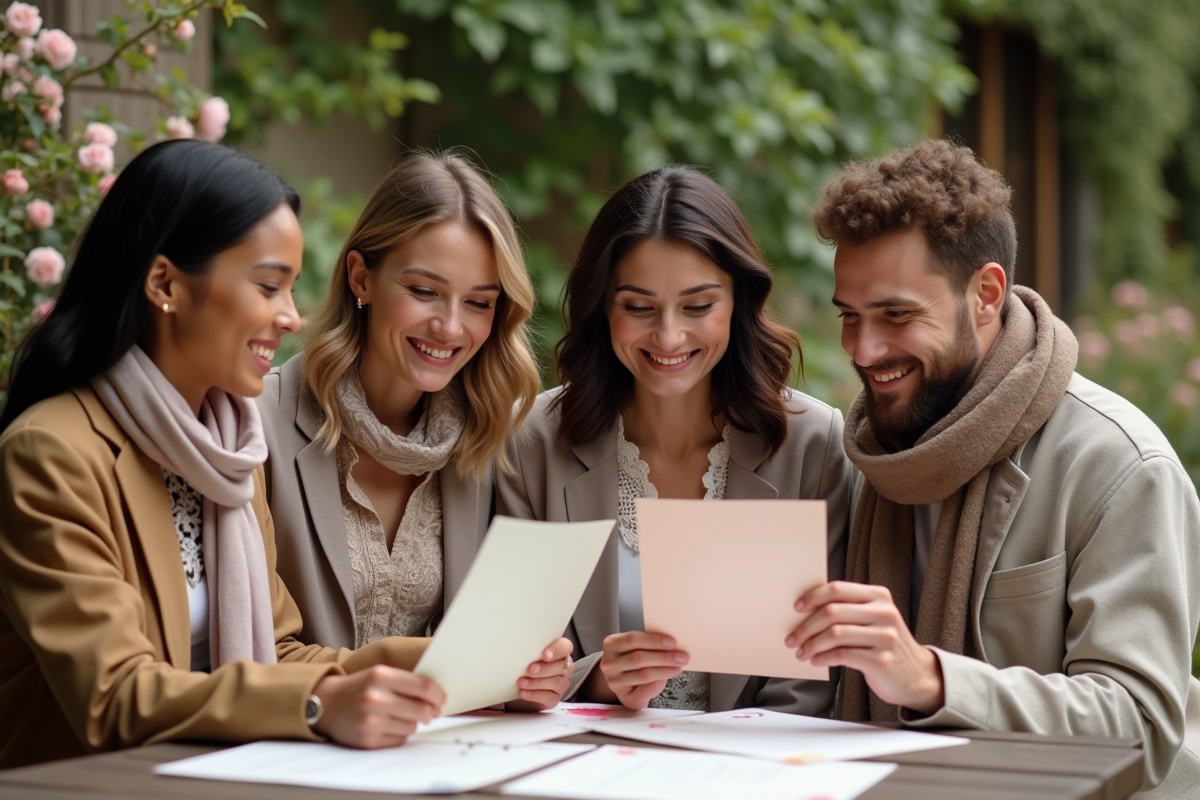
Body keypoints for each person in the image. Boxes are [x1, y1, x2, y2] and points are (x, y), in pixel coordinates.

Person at [0, 141, 449, 769]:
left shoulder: (228, 446)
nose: (292, 317)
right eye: (268, 285)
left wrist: (464, 664)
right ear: (165, 284)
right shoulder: (53, 453)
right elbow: (114, 696)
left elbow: (281, 658)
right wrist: (317, 705)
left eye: (291, 288)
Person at [787, 138, 1200, 796]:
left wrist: (931, 680)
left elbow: (1143, 725)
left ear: (985, 294)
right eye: (850, 317)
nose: (864, 350)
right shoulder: (872, 451)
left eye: (897, 315)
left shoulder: (1120, 464)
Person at [497, 165, 853, 713]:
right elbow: (508, 665)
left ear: (739, 300)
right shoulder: (532, 442)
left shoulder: (815, 445)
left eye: (698, 306)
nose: (668, 336)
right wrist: (599, 683)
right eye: (638, 307)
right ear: (602, 307)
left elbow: (807, 687)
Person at [256, 151, 571, 711]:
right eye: (425, 291)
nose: (450, 327)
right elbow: (246, 649)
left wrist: (534, 677)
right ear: (361, 277)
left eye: (478, 303)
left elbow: (498, 654)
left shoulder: (495, 436)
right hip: (298, 750)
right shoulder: (260, 424)